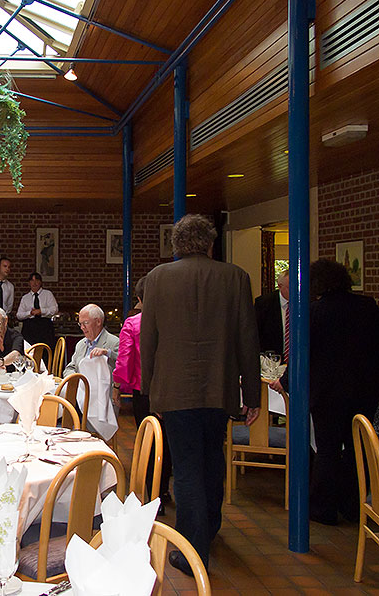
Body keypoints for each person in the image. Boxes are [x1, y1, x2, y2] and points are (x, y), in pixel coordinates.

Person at [141, 214, 260, 574]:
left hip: (174, 392)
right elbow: (247, 340)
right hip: (220, 389)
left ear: (176, 245)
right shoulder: (235, 277)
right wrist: (251, 395)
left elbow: (149, 341)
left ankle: (192, 551)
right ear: (210, 243)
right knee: (213, 462)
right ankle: (208, 530)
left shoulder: (158, 279)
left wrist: (150, 390)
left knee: (188, 469)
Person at [308, 259, 379, 525]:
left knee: (326, 450)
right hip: (363, 390)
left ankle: (322, 508)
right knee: (355, 450)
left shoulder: (316, 312)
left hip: (327, 393)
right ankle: (352, 504)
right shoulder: (367, 307)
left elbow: (306, 354)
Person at [112, 276, 172, 511]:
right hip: (170, 388)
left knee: (149, 440)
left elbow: (125, 360)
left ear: (138, 299)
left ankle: (153, 493)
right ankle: (164, 489)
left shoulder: (133, 324)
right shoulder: (173, 321)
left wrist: (118, 386)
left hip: (144, 390)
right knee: (167, 440)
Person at [63, 304, 119, 377]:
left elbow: (124, 365)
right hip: (81, 387)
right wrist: (75, 379)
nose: (82, 327)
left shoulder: (114, 342)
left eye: (86, 323)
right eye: (80, 324)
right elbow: (70, 368)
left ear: (98, 322)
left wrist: (107, 353)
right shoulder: (81, 344)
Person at [16, 272, 58, 355]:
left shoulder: (47, 294)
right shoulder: (25, 298)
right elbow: (19, 315)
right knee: (29, 351)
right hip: (30, 327)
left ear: (40, 282)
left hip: (45, 326)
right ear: (29, 283)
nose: (34, 283)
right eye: (32, 280)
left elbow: (54, 309)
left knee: (46, 351)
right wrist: (30, 313)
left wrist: (41, 311)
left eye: (37, 280)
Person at [255, 269, 289, 358]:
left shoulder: (306, 303)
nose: (295, 292)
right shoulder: (264, 303)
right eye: (290, 288)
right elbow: (256, 334)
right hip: (271, 359)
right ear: (280, 286)